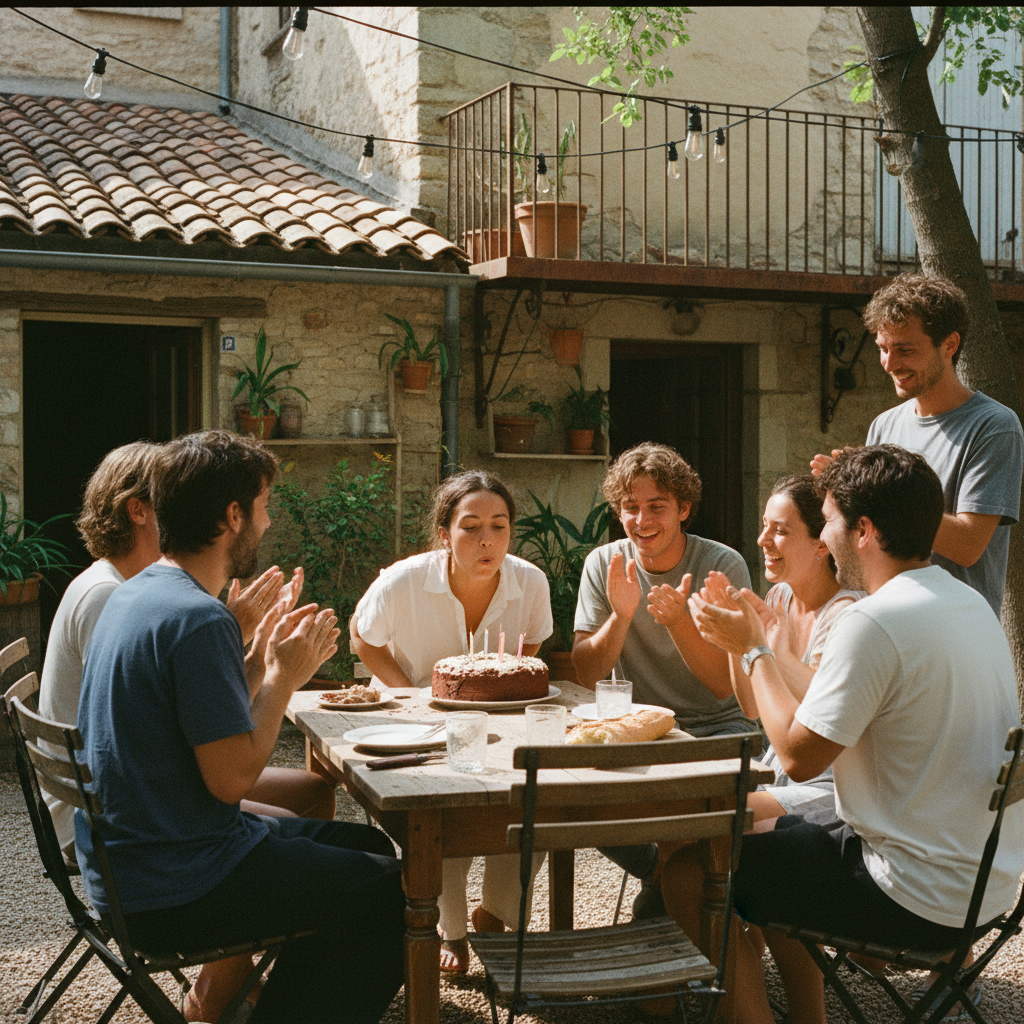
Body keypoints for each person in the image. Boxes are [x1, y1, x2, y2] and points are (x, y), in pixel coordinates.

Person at [685, 445, 1024, 1024]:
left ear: (863, 529)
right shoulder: (968, 603)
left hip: (914, 898)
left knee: (690, 865)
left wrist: (754, 647)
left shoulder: (873, 620)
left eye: (832, 519)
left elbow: (795, 757)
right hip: (985, 889)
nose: (828, 532)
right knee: (774, 838)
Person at [75, 430, 405, 1024]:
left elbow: (195, 720)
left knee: (369, 847)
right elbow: (230, 781)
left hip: (134, 864)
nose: (268, 521)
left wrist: (253, 662)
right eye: (263, 506)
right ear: (232, 515)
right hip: (177, 883)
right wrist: (284, 676)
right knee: (388, 894)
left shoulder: (142, 593)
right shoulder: (196, 618)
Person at [350, 469, 552, 974]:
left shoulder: (529, 582)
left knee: (532, 800)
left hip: (499, 721)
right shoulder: (405, 581)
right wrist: (407, 693)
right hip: (412, 723)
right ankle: (451, 929)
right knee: (444, 811)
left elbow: (530, 648)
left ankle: (497, 915)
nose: (487, 540)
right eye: (471, 526)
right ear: (445, 534)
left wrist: (504, 684)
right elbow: (363, 637)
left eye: (499, 526)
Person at [572, 442, 756, 913]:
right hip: (639, 730)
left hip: (720, 727)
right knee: (572, 801)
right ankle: (668, 879)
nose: (642, 520)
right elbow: (588, 671)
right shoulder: (605, 564)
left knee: (690, 816)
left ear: (684, 509)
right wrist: (621, 615)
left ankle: (668, 907)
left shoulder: (723, 564)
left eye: (657, 506)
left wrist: (677, 623)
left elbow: (724, 685)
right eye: (630, 507)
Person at [812, 273, 1024, 617]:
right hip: (886, 620)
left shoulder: (994, 426)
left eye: (905, 349)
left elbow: (969, 546)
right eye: (883, 348)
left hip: (955, 632)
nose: (890, 363)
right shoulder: (884, 425)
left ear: (949, 345)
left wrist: (880, 495)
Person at [732, 474, 863, 831]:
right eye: (764, 527)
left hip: (830, 785)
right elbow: (751, 707)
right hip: (779, 770)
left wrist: (763, 647)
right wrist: (736, 642)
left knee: (719, 817)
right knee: (690, 808)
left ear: (821, 545)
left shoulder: (847, 613)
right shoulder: (779, 597)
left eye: (780, 531)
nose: (762, 540)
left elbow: (827, 707)